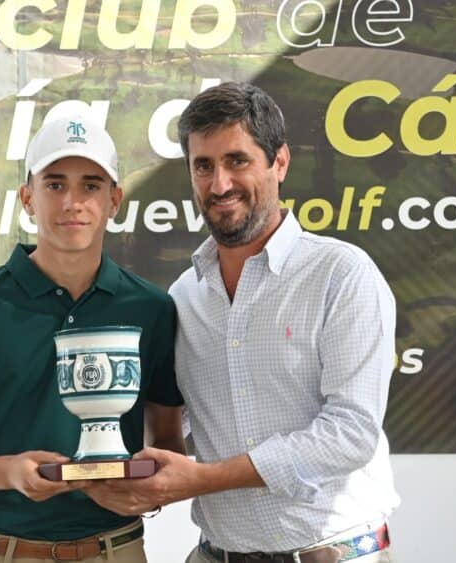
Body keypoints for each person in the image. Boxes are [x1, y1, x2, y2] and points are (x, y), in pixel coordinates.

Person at [84, 82, 400, 563]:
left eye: (237, 161)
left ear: (280, 162)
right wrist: (96, 453)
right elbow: (167, 424)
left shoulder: (341, 275)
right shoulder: (184, 297)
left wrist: (202, 479)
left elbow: (351, 435)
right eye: (203, 166)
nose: (219, 185)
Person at [0, 113, 185, 563]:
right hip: (5, 551)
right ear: (27, 198)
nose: (73, 202)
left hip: (118, 549)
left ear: (114, 200)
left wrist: (145, 489)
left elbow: (167, 438)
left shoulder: (151, 308)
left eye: (91, 185)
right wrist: (9, 472)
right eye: (55, 185)